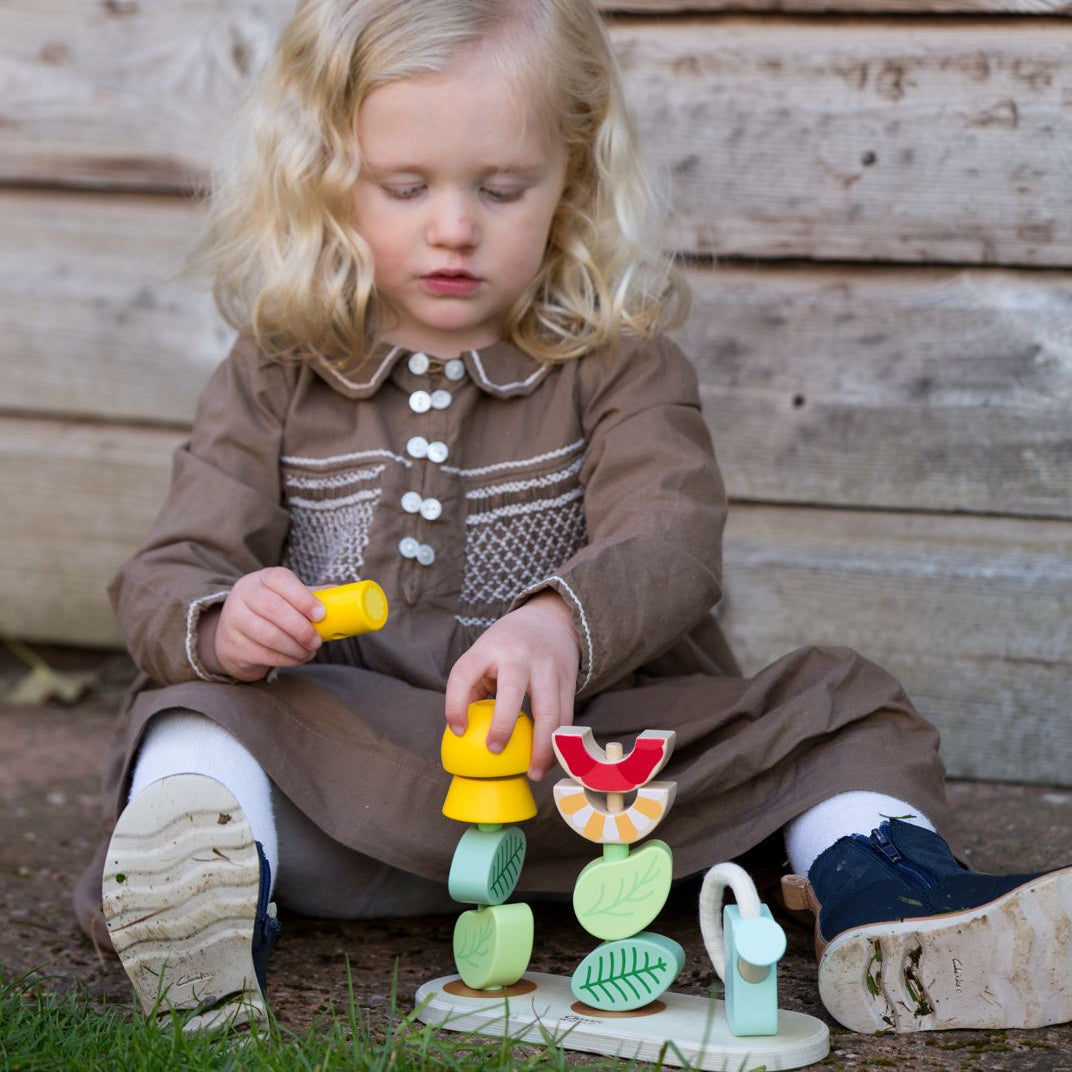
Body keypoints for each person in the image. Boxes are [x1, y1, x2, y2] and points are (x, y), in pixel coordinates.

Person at [75, 0, 1072, 1037]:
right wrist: (225, 620)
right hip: (345, 781)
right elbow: (171, 565)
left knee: (839, 704)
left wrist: (559, 621)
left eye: (501, 188)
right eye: (405, 187)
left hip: (592, 784)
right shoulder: (279, 370)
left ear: (574, 181)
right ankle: (212, 905)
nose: (453, 227)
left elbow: (672, 534)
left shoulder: (619, 363)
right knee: (191, 712)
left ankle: (891, 906)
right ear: (325, 176)